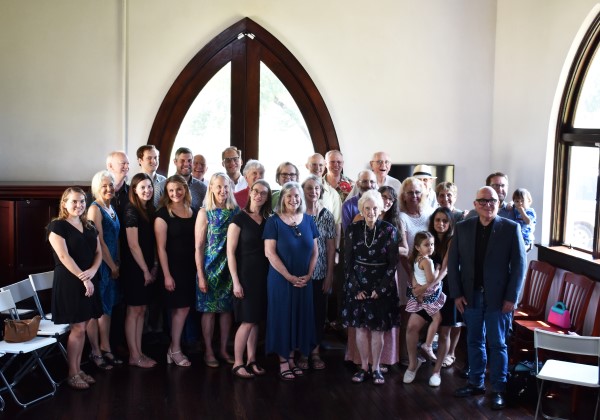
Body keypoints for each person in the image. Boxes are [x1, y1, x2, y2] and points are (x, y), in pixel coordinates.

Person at [449, 186, 526, 410]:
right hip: (470, 296)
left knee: (498, 344)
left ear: (498, 203)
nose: (487, 205)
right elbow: (453, 264)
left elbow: (520, 266)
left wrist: (512, 297)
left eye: (491, 200)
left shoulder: (510, 228)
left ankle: (499, 390)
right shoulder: (463, 228)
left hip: (499, 298)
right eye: (482, 201)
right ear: (475, 204)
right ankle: (476, 383)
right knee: (474, 341)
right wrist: (456, 294)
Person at [342, 190, 400, 385]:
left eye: (375, 208)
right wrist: (354, 286)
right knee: (361, 329)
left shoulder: (390, 230)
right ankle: (363, 367)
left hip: (381, 286)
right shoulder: (352, 229)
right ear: (362, 209)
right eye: (367, 208)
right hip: (358, 285)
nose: (371, 212)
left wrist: (381, 289)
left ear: (381, 208)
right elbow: (347, 261)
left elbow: (393, 264)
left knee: (377, 330)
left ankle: (376, 368)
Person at [48, 187, 103, 390]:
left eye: (82, 202)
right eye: (74, 202)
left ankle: (79, 369)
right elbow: (64, 257)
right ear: (64, 203)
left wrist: (93, 272)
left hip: (89, 278)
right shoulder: (57, 226)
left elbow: (99, 252)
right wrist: (84, 278)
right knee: (78, 328)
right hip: (71, 282)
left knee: (84, 325)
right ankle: (72, 372)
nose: (79, 205)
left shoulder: (88, 226)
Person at [263, 181, 319, 381]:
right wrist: (288, 276)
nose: (293, 200)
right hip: (280, 280)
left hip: (304, 280)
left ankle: (293, 357)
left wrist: (309, 274)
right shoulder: (273, 221)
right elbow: (269, 253)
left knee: (300, 317)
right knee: (282, 317)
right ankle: (283, 361)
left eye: (297, 196)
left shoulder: (309, 220)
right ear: (282, 199)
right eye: (289, 196)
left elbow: (315, 251)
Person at [228, 180, 273, 378]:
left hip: (264, 275)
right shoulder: (238, 219)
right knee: (246, 321)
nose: (259, 195)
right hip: (245, 275)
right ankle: (238, 363)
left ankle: (251, 359)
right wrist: (236, 281)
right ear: (250, 193)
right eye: (256, 191)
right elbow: (230, 252)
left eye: (263, 193)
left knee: (255, 321)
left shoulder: (268, 219)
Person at [195, 172, 240, 367]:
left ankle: (223, 348)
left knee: (226, 311)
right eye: (218, 187)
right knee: (209, 311)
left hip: (229, 269)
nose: (222, 190)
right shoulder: (205, 212)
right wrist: (201, 276)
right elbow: (198, 247)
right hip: (209, 268)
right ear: (211, 188)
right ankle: (208, 351)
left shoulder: (235, 211)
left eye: (226, 187)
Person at [155, 175, 198, 367]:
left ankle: (173, 348)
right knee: (180, 310)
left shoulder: (193, 211)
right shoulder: (163, 214)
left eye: (178, 189)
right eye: (171, 191)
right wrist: (166, 275)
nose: (175, 194)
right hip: (172, 269)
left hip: (190, 268)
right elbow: (160, 248)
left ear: (185, 189)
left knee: (183, 309)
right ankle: (175, 349)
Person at [86, 170, 123, 369]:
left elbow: (116, 238)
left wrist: (117, 263)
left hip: (113, 265)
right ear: (96, 189)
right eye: (104, 186)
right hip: (100, 266)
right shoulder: (94, 209)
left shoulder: (111, 207)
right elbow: (98, 241)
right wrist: (111, 265)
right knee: (96, 309)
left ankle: (106, 347)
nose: (109, 189)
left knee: (107, 309)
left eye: (111, 185)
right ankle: (95, 352)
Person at [121, 173, 158, 368]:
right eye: (142, 187)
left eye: (149, 187)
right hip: (134, 268)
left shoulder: (149, 209)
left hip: (147, 266)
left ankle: (139, 352)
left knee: (142, 310)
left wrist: (153, 267)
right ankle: (134, 355)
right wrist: (145, 270)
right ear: (134, 189)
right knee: (134, 310)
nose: (147, 190)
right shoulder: (131, 210)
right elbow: (133, 245)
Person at [300, 175, 336, 370]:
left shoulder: (327, 215)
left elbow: (331, 248)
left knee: (318, 315)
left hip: (320, 273)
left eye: (316, 189)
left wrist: (330, 275)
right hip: (300, 274)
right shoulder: (296, 213)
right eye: (309, 188)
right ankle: (303, 353)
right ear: (302, 190)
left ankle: (314, 352)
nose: (313, 192)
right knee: (302, 314)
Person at [403, 231, 445, 386]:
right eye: (427, 245)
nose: (431, 247)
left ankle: (427, 348)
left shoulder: (416, 258)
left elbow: (416, 275)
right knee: (437, 318)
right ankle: (427, 344)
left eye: (432, 244)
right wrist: (438, 269)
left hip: (422, 294)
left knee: (438, 319)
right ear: (418, 247)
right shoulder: (427, 261)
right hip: (429, 295)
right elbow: (432, 279)